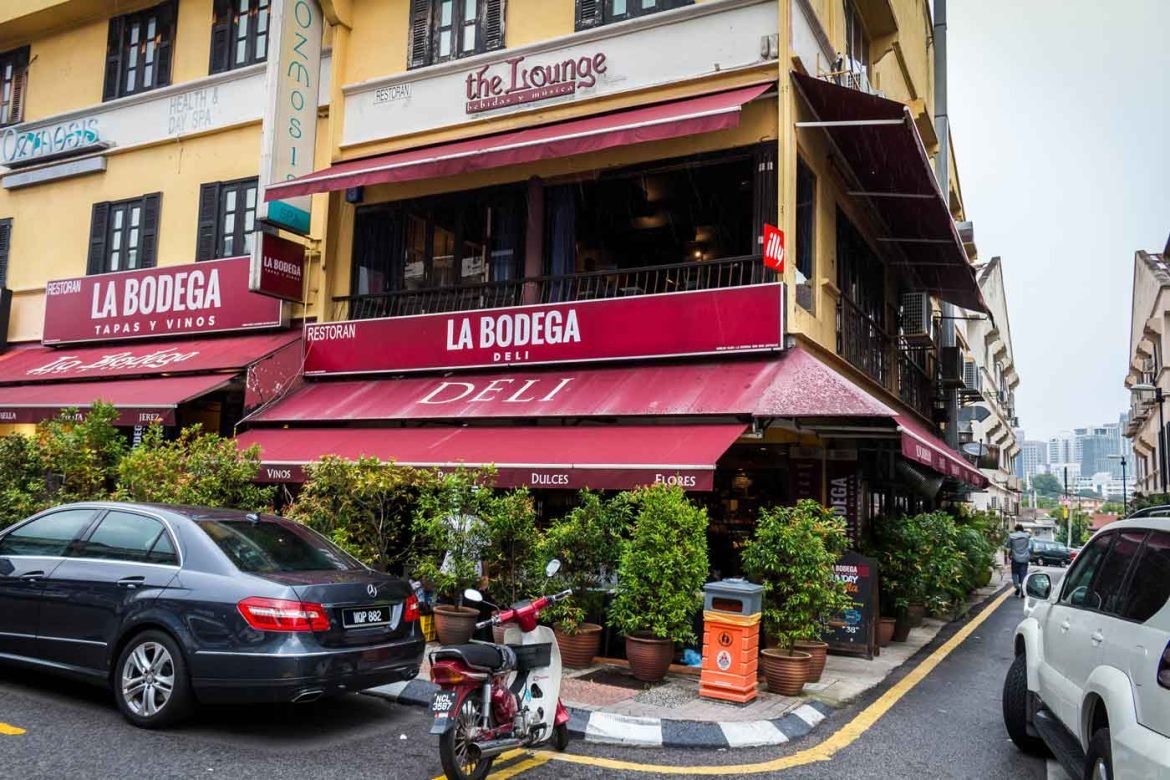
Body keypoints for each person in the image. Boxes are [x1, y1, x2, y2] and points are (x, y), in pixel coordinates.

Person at [1007, 524, 1032, 598]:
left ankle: (1017, 587)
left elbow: (1008, 545)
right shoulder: (1027, 536)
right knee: (1023, 574)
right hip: (1025, 559)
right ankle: (1023, 590)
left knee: (1015, 573)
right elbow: (1029, 546)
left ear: (1015, 529)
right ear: (1022, 529)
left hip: (1015, 558)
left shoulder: (1011, 536)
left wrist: (1011, 551)